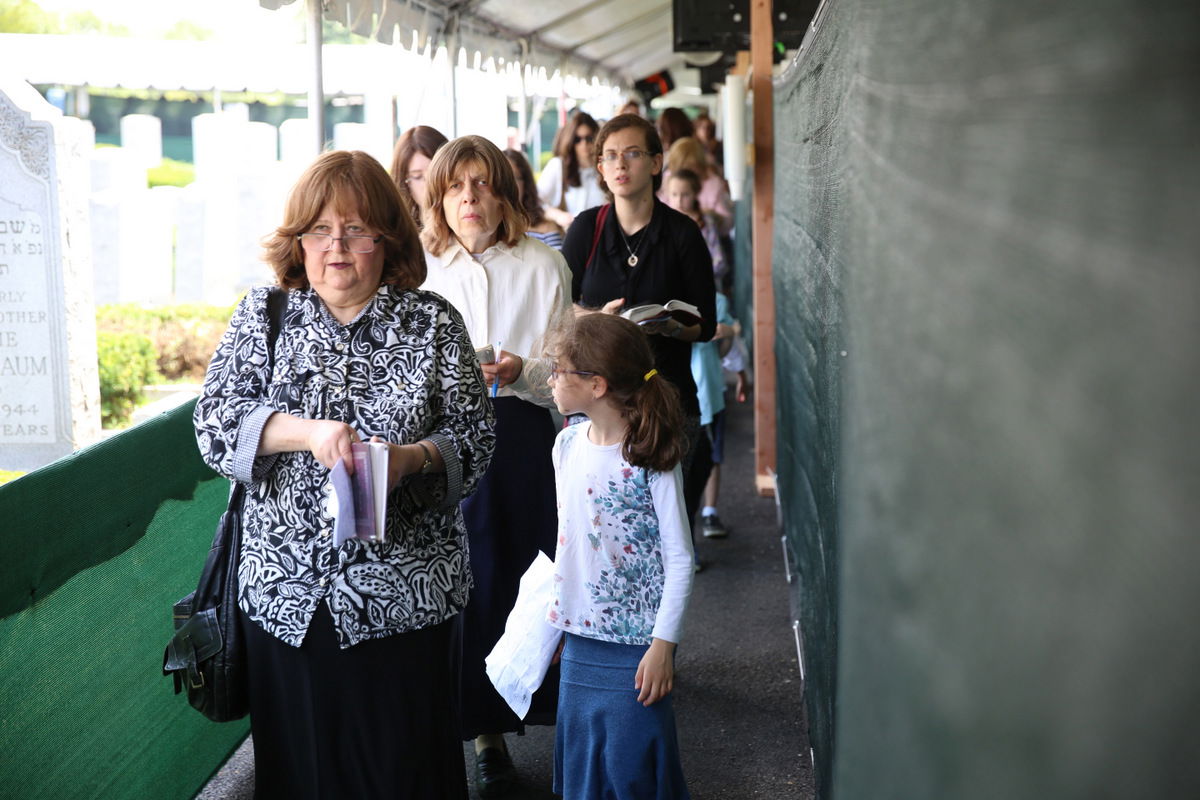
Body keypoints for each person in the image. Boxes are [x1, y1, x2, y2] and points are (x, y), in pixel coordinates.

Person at [193, 150, 496, 799]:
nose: (336, 247)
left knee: (405, 774)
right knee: (303, 776)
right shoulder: (265, 315)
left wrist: (413, 459)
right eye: (319, 231)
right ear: (297, 240)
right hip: (288, 601)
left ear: (386, 239)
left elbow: (475, 440)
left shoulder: (433, 323)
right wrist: (306, 433)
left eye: (356, 230)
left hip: (406, 602)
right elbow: (214, 423)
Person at [420, 135, 573, 798]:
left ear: (504, 193)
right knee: (471, 583)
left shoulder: (545, 265)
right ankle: (486, 739)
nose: (469, 198)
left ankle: (565, 721)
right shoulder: (423, 272)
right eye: (455, 187)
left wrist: (523, 371)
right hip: (450, 444)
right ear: (438, 200)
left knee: (538, 576)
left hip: (525, 437)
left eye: (481, 183)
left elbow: (566, 378)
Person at [544, 312, 694, 799]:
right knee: (584, 770)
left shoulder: (650, 456)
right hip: (579, 640)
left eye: (558, 370)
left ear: (596, 384)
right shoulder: (565, 445)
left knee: (630, 771)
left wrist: (663, 646)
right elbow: (569, 540)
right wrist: (557, 624)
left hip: (637, 647)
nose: (549, 379)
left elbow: (680, 559)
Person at [561, 113, 717, 568]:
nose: (620, 164)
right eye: (610, 156)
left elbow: (705, 324)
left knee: (666, 541)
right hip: (598, 405)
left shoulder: (683, 233)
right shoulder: (586, 229)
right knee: (602, 538)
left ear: (656, 163)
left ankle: (665, 617)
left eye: (632, 153)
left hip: (667, 399)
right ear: (600, 168)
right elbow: (558, 308)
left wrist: (671, 326)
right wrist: (597, 319)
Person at [689, 291, 749, 539]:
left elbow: (723, 350)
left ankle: (709, 512)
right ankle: (691, 526)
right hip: (684, 395)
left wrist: (728, 333)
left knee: (710, 456)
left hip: (708, 393)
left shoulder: (716, 300)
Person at [537, 110, 605, 229]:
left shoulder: (606, 167)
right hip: (568, 235)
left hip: (601, 234)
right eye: (577, 139)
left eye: (589, 138)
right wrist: (558, 216)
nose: (584, 144)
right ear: (570, 140)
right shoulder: (558, 166)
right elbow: (536, 202)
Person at [663, 167, 726, 283]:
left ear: (695, 193)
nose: (679, 200)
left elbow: (719, 261)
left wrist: (698, 275)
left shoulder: (706, 223)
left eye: (685, 194)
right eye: (674, 194)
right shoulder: (662, 223)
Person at [664, 137, 733, 236]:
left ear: (700, 165)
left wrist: (709, 217)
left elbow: (727, 223)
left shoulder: (714, 183)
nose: (687, 174)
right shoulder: (667, 179)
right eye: (682, 168)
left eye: (691, 167)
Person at [505, 147, 565, 249]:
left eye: (514, 178)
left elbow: (558, 259)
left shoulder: (547, 228)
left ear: (525, 183)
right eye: (503, 178)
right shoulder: (487, 230)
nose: (508, 185)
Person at [390, 124, 449, 226]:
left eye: (434, 173)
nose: (428, 184)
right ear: (404, 183)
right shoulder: (396, 230)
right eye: (417, 176)